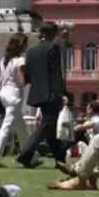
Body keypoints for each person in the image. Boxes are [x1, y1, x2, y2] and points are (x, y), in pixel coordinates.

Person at [16, 22, 67, 168]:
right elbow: (55, 73)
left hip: (37, 92)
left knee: (51, 127)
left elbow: (29, 74)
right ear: (53, 34)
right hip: (51, 93)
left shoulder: (31, 51)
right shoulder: (53, 48)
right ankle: (25, 154)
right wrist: (62, 93)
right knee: (46, 125)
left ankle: (60, 159)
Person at [0, 33, 34, 167]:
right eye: (25, 44)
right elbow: (22, 81)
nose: (26, 46)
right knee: (6, 128)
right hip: (14, 96)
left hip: (4, 94)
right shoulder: (20, 61)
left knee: (21, 129)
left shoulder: (4, 60)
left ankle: (32, 157)